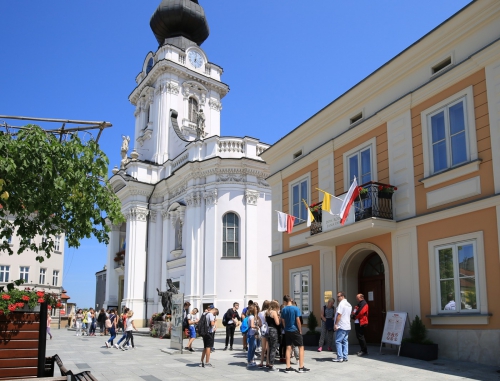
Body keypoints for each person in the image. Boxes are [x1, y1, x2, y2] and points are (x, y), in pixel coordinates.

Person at [281, 295, 309, 373]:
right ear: (291, 300)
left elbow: (282, 320)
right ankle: (301, 367)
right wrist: (300, 330)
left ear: (285, 301)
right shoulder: (296, 308)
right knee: (301, 347)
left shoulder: (283, 309)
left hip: (287, 330)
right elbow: (298, 320)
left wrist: (285, 327)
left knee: (288, 347)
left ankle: (288, 366)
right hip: (295, 329)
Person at [333, 291, 352, 363]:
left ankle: (340, 357)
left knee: (338, 341)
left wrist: (336, 324)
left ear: (342, 296)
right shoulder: (349, 304)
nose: (337, 298)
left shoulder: (341, 304)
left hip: (341, 325)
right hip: (347, 325)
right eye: (337, 296)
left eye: (338, 296)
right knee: (345, 341)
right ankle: (345, 356)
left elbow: (339, 315)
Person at [265, 300, 281, 372]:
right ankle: (271, 365)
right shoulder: (274, 312)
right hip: (273, 331)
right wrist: (279, 318)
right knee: (274, 348)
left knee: (270, 347)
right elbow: (277, 323)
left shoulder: (267, 312)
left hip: (268, 330)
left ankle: (269, 363)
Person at [258, 300, 270, 368]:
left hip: (263, 329)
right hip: (268, 329)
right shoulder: (269, 312)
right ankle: (267, 362)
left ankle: (261, 362)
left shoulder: (260, 313)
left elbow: (259, 324)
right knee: (268, 348)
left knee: (263, 348)